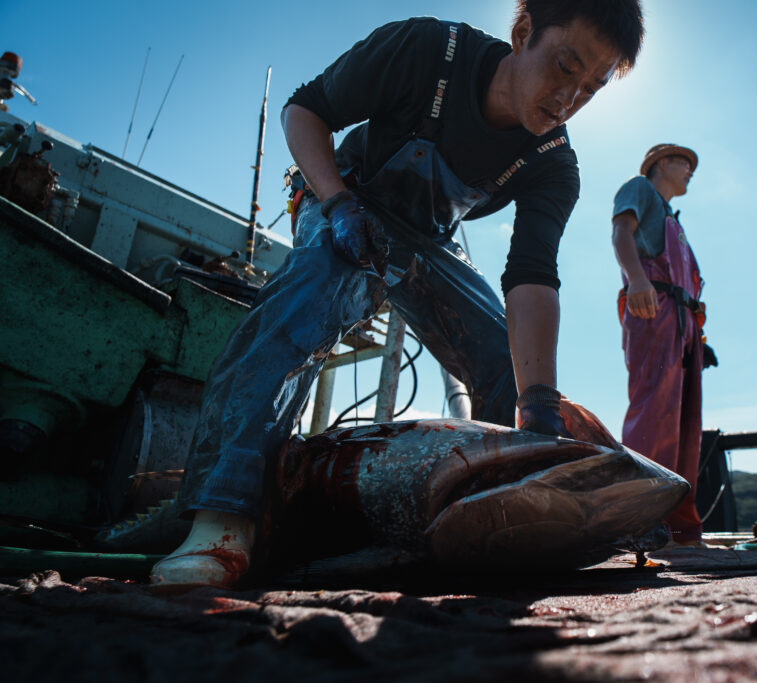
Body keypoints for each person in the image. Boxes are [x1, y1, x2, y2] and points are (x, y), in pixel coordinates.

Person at [149, 0, 645, 589]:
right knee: (307, 295)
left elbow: (531, 275)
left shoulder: (553, 163)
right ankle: (221, 520)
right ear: (522, 32)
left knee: (505, 362)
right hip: (344, 198)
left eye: (590, 89)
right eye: (566, 67)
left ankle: (501, 522)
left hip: (429, 238)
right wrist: (336, 203)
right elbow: (305, 109)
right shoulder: (427, 50)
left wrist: (537, 401)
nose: (569, 98)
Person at [611, 143, 716, 547]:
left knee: (685, 423)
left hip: (685, 324)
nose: (691, 171)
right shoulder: (639, 188)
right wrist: (637, 279)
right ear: (660, 164)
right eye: (684, 163)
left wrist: (699, 339)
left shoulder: (675, 221)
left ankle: (678, 527)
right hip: (653, 308)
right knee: (654, 411)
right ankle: (638, 520)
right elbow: (621, 232)